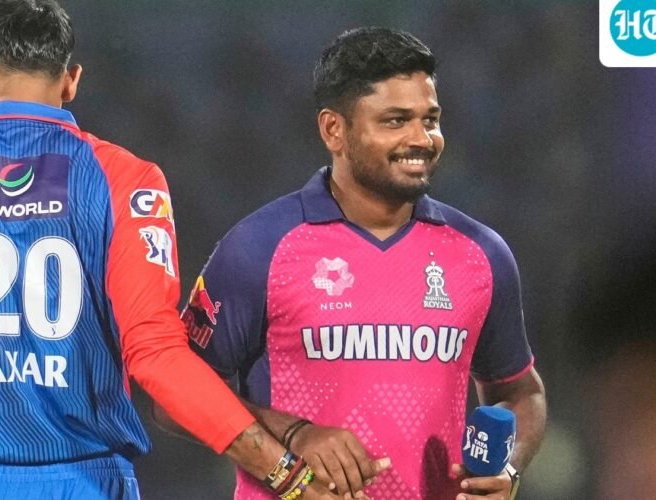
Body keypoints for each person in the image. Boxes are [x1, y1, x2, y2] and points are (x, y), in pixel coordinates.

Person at [0, 1, 374, 498]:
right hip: (88, 483)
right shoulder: (127, 181)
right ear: (71, 81)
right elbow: (158, 358)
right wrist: (289, 477)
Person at [167, 27, 546, 500]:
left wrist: (507, 468)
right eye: (395, 121)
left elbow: (521, 392)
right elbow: (177, 394)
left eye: (430, 120)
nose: (422, 139)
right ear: (334, 130)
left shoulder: (480, 255)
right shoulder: (260, 247)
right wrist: (293, 434)